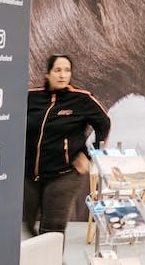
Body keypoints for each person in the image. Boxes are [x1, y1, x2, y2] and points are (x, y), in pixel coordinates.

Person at [24, 55, 111, 240]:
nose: (63, 75)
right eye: (57, 70)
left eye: (67, 70)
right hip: (29, 174)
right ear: (47, 74)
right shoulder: (31, 96)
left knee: (52, 229)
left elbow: (104, 124)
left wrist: (89, 155)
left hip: (64, 174)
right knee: (26, 224)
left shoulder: (81, 99)